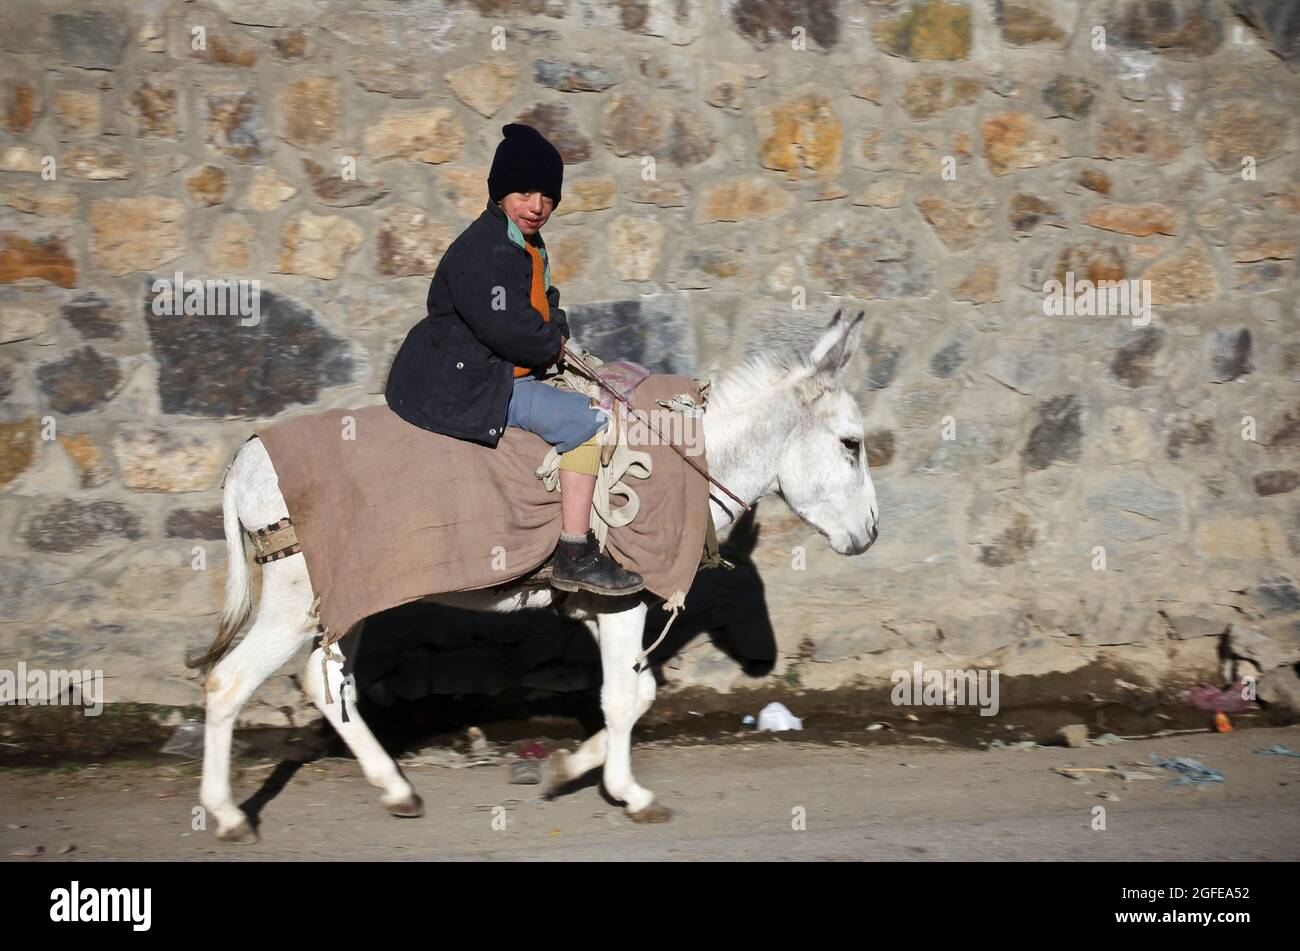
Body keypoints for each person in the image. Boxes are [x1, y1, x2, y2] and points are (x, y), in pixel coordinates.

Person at [385, 123, 644, 596]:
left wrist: (556, 331)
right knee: (589, 422)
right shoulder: (487, 249)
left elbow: (544, 300)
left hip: (500, 367)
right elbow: (505, 325)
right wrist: (553, 347)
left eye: (547, 196)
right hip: (474, 380)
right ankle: (575, 551)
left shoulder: (524, 243)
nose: (537, 205)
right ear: (500, 191)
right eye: (524, 191)